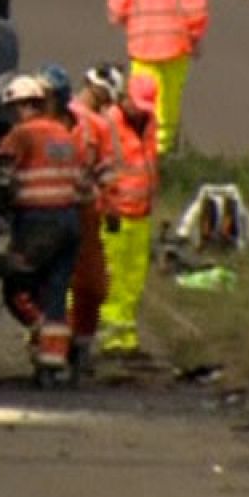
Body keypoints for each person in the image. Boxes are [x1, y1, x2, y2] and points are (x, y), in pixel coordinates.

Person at [0, 75, 85, 379]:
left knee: (16, 285)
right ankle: (56, 356)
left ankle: (41, 333)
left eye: (12, 108)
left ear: (22, 106)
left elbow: (1, 176)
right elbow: (82, 180)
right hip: (70, 221)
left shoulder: (22, 134)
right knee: (56, 291)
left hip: (38, 222)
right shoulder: (64, 133)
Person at [107, 0, 208, 154]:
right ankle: (163, 147)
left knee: (142, 99)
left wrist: (132, 21)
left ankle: (141, 146)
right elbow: (197, 12)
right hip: (176, 49)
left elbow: (115, 10)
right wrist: (193, 37)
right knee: (169, 101)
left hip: (142, 48)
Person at [64, 64, 123, 375]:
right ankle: (53, 343)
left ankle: (79, 345)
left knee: (92, 285)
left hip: (85, 210)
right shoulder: (63, 115)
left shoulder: (99, 126)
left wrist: (111, 207)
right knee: (54, 283)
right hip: (55, 208)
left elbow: (107, 171)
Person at [98, 72, 160, 356]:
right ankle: (111, 338)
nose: (140, 110)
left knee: (134, 278)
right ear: (123, 98)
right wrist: (104, 204)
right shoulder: (107, 123)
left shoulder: (149, 122)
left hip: (141, 213)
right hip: (114, 214)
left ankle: (127, 336)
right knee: (113, 277)